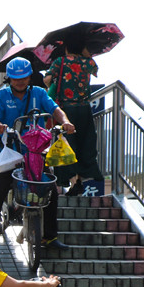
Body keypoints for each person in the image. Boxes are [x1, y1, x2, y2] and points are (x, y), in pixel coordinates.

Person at [0, 57, 76, 254]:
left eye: (23, 78)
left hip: (36, 152)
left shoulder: (39, 93)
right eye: (15, 78)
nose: (19, 82)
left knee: (50, 190)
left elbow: (55, 109)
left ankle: (50, 236)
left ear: (30, 77)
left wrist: (65, 122)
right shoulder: (1, 96)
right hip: (12, 152)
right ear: (9, 78)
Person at [44, 38, 102, 196]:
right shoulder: (89, 62)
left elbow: (47, 79)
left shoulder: (60, 61)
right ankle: (81, 180)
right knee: (85, 143)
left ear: (66, 48)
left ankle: (73, 180)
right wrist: (85, 53)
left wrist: (54, 85)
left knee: (67, 144)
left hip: (66, 110)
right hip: (84, 109)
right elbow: (96, 73)